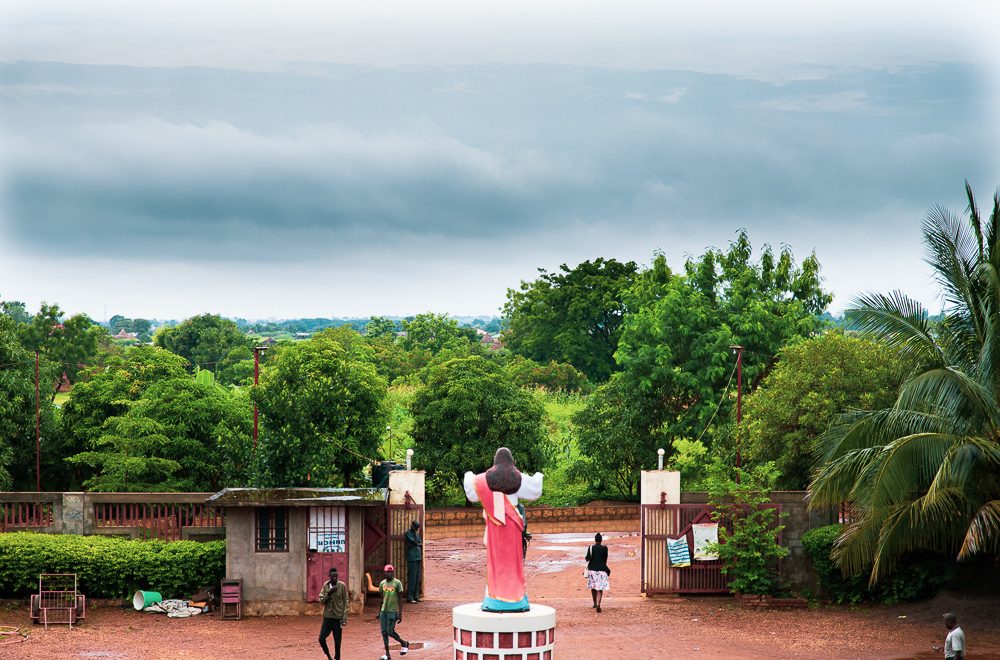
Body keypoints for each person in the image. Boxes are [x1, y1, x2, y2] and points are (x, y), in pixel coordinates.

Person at [463, 447, 544, 612]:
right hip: (512, 525)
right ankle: (516, 598)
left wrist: (468, 474)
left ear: (495, 463)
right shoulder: (518, 478)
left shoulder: (484, 480)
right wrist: (538, 475)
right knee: (513, 561)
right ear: (512, 462)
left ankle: (494, 597)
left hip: (495, 527)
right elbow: (535, 490)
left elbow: (471, 492)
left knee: (495, 561)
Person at [376, 564, 408, 659]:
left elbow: (400, 600)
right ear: (384, 573)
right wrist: (379, 612)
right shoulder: (382, 584)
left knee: (390, 631)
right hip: (384, 611)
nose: (390, 574)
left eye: (391, 572)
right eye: (388, 572)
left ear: (393, 572)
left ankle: (404, 643)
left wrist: (400, 614)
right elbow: (382, 599)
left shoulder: (397, 583)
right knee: (384, 632)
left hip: (392, 611)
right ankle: (387, 654)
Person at [318, 567, 348, 660]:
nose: (335, 578)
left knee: (337, 642)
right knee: (321, 639)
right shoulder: (325, 586)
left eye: (336, 576)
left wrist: (344, 618)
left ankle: (337, 657)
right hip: (327, 617)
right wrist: (329, 593)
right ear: (329, 576)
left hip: (337, 618)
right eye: (333, 576)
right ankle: (328, 656)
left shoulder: (342, 586)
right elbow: (321, 601)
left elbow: (346, 601)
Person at [585, 533, 611, 613]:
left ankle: (594, 603)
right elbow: (605, 560)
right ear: (601, 540)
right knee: (600, 588)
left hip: (592, 570)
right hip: (602, 570)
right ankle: (599, 604)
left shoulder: (591, 547)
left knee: (593, 587)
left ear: (595, 540)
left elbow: (587, 559)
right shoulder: (605, 548)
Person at [404, 520, 423, 603]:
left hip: (418, 557)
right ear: (412, 526)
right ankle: (410, 597)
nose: (416, 529)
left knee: (417, 578)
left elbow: (420, 543)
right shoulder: (408, 533)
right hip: (412, 557)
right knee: (412, 577)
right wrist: (417, 543)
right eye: (415, 527)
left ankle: (416, 596)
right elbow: (415, 542)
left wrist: (418, 544)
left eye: (417, 527)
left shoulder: (416, 534)